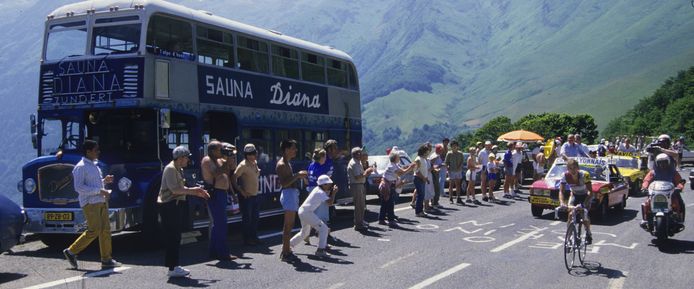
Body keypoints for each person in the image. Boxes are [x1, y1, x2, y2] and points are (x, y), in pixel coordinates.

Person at [63, 140, 121, 270]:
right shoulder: (80, 167)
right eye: (96, 150)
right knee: (94, 230)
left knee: (105, 230)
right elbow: (79, 187)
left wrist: (104, 181)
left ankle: (107, 259)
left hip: (100, 201)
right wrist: (100, 190)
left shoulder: (94, 165)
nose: (98, 152)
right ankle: (71, 251)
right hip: (90, 203)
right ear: (88, 152)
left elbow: (92, 183)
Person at [158, 146, 210, 277]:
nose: (188, 159)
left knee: (175, 236)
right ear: (180, 158)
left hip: (175, 204)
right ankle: (172, 268)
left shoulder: (178, 169)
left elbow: (181, 187)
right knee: (173, 237)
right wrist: (195, 191)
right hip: (169, 205)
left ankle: (174, 265)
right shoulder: (170, 169)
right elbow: (175, 190)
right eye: (186, 157)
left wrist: (195, 190)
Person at [201, 141, 237, 261]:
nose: (221, 151)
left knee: (219, 224)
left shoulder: (220, 160)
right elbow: (216, 173)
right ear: (212, 151)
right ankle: (223, 253)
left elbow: (230, 170)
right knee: (220, 224)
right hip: (215, 193)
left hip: (222, 192)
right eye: (219, 149)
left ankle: (214, 251)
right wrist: (224, 161)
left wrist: (231, 157)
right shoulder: (207, 160)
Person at [290, 175, 338, 257]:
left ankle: (288, 245)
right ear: (324, 184)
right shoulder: (320, 192)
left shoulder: (318, 189)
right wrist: (333, 193)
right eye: (329, 184)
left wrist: (331, 192)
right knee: (324, 229)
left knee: (304, 233)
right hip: (307, 212)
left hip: (303, 211)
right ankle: (320, 250)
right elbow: (330, 203)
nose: (330, 185)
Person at [277, 139, 309, 262]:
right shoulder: (281, 164)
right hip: (288, 194)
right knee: (288, 226)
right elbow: (284, 183)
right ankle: (285, 252)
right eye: (293, 148)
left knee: (289, 225)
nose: (295, 150)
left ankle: (287, 250)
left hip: (291, 194)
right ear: (286, 150)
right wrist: (298, 175)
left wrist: (299, 176)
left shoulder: (287, 163)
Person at [640, 153, 686, 229]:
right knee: (646, 204)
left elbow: (680, 181)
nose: (662, 164)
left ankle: (679, 219)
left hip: (671, 193)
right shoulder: (653, 172)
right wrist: (644, 187)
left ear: (668, 162)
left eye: (664, 162)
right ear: (657, 163)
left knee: (679, 203)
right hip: (655, 193)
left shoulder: (673, 172)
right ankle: (645, 219)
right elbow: (646, 180)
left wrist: (679, 187)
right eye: (660, 162)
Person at [232, 144, 262, 246]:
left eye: (253, 153)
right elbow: (233, 178)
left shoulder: (255, 163)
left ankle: (254, 237)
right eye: (249, 154)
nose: (251, 156)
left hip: (255, 195)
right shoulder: (242, 165)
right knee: (247, 219)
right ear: (246, 155)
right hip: (247, 196)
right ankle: (247, 239)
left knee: (255, 218)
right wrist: (241, 191)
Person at [559, 159, 593, 245]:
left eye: (574, 168)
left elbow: (590, 192)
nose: (572, 170)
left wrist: (584, 204)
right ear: (567, 169)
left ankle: (588, 233)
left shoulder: (584, 175)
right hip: (574, 195)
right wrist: (562, 202)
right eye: (570, 168)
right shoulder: (565, 175)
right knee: (570, 214)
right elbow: (561, 191)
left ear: (578, 168)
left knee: (583, 214)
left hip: (585, 196)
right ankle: (569, 237)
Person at [380, 151, 416, 226]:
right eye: (398, 157)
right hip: (388, 186)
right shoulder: (393, 166)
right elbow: (401, 173)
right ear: (395, 158)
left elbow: (401, 169)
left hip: (386, 185)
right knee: (390, 203)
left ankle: (382, 219)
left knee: (384, 203)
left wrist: (408, 167)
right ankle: (391, 220)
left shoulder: (393, 164)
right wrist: (410, 167)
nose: (399, 158)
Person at [348, 147, 374, 231]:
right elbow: (357, 176)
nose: (361, 154)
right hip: (356, 185)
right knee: (359, 205)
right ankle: (358, 224)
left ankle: (360, 221)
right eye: (360, 153)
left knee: (362, 205)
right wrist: (366, 173)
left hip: (359, 185)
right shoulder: (354, 163)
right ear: (356, 154)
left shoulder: (357, 162)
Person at [414, 144, 432, 217]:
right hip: (418, 179)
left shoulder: (424, 159)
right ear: (423, 152)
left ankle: (420, 211)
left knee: (422, 195)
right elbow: (417, 171)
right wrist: (424, 178)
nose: (428, 153)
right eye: (427, 152)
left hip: (422, 179)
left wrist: (426, 178)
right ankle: (418, 212)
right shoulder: (418, 159)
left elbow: (424, 170)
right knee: (420, 195)